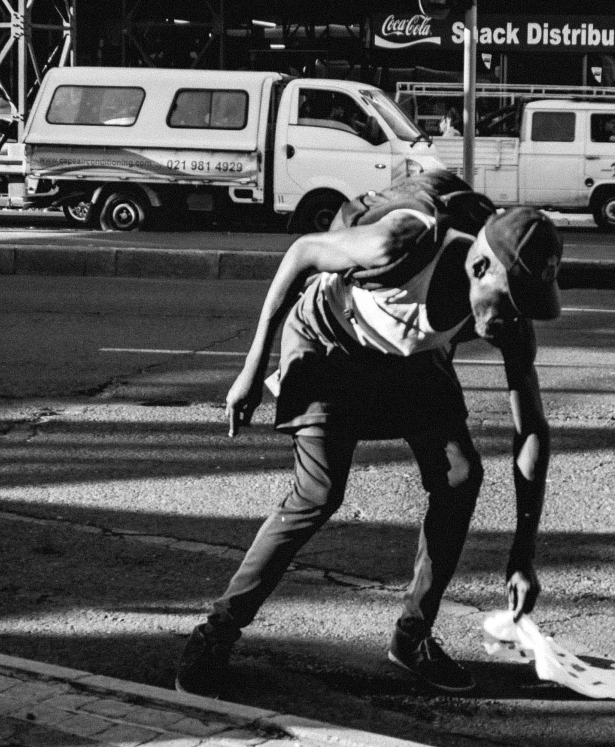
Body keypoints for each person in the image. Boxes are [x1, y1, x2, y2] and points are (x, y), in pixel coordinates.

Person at [176, 169, 562, 700]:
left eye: (527, 302)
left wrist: (523, 555)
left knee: (459, 476)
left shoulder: (509, 318)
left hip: (410, 358)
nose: (513, 318)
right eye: (509, 298)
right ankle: (216, 631)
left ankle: (413, 637)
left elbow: (532, 431)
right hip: (328, 341)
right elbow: (304, 252)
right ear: (478, 265)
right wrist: (251, 366)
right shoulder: (400, 240)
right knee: (318, 493)